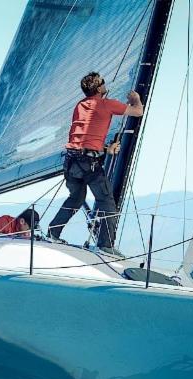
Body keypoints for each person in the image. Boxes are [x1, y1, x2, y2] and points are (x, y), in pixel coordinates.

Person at [47, 71, 144, 255]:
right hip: (89, 163)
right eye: (103, 83)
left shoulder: (80, 105)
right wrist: (135, 98)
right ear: (99, 88)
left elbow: (85, 134)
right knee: (106, 202)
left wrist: (106, 148)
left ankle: (53, 232)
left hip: (70, 160)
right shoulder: (106, 105)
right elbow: (138, 112)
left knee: (76, 199)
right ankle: (105, 246)